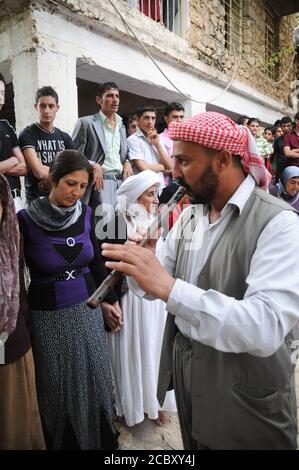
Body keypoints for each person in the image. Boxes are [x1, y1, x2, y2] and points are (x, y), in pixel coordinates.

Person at [102, 112, 299, 450]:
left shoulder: (279, 224)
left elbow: (265, 326)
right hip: (192, 380)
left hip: (247, 396)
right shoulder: (193, 216)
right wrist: (140, 268)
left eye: (183, 161)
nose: (173, 172)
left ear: (223, 160)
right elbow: (153, 282)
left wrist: (170, 288)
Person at [17, 150, 120, 449]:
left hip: (88, 311)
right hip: (49, 317)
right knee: (59, 386)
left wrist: (108, 301)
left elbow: (96, 263)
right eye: (70, 184)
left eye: (82, 186)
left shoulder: (87, 214)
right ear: (51, 180)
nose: (76, 193)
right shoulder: (26, 220)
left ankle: (101, 442)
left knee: (96, 379)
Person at [100, 170, 176, 427]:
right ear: (134, 197)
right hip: (129, 300)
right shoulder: (115, 225)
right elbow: (107, 267)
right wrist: (110, 301)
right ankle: (128, 404)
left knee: (152, 348)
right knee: (129, 349)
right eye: (150, 195)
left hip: (153, 301)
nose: (155, 200)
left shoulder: (156, 223)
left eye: (156, 194)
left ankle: (153, 402)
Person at [0, 175, 45, 450]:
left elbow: (20, 294)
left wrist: (24, 335)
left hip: (11, 348)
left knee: (14, 424)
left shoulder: (11, 239)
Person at [72, 82, 133, 211]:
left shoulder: (121, 126)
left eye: (117, 96)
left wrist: (127, 161)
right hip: (100, 183)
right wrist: (93, 164)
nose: (115, 100)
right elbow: (74, 155)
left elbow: (123, 152)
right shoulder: (86, 123)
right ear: (99, 100)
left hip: (121, 183)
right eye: (110, 96)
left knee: (120, 227)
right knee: (102, 228)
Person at [19, 86, 74, 204]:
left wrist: (48, 177)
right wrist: (64, 174)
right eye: (42, 106)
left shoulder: (65, 138)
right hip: (37, 201)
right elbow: (38, 171)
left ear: (57, 108)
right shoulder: (28, 134)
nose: (46, 111)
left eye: (51, 106)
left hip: (61, 199)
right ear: (36, 107)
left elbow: (74, 169)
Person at [127, 105, 172, 193]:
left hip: (160, 189)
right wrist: (164, 167)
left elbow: (170, 166)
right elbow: (144, 168)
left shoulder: (157, 139)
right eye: (146, 118)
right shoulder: (132, 140)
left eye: (153, 118)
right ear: (138, 120)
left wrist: (157, 144)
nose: (150, 122)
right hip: (143, 191)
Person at [0, 73, 27, 211]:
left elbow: (24, 167)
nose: (0, 98)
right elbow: (17, 162)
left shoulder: (6, 126)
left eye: (2, 93)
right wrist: (12, 160)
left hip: (15, 201)